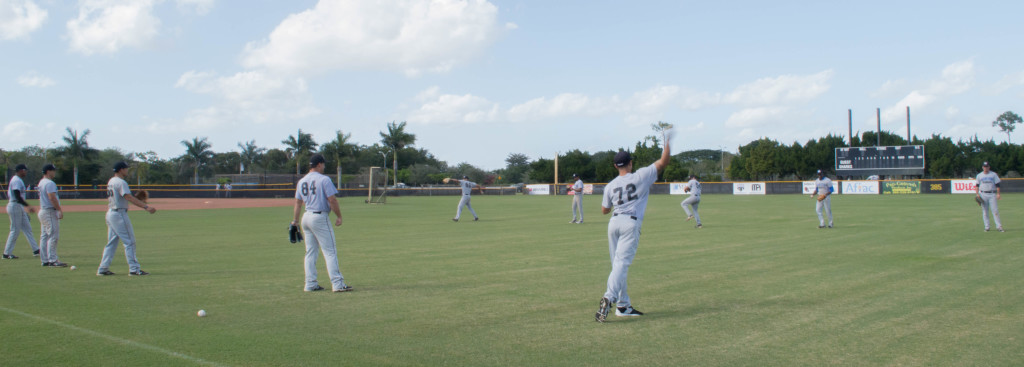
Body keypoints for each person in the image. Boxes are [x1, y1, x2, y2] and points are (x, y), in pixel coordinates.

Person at [595, 141, 672, 323]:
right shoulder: (641, 176)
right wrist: (667, 142)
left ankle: (623, 305)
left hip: (614, 223)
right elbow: (663, 161)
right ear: (630, 162)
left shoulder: (610, 185)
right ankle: (609, 297)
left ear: (615, 166)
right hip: (630, 223)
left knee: (617, 266)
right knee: (621, 264)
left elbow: (604, 210)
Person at [292, 154, 352, 292]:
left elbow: (298, 203)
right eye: (323, 164)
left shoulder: (302, 181)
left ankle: (310, 284)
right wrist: (339, 216)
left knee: (310, 252)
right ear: (319, 164)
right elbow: (332, 200)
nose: (324, 167)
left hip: (306, 217)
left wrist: (295, 221)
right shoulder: (324, 180)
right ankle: (337, 284)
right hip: (319, 217)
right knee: (330, 251)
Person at [97, 161, 157, 276]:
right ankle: (134, 269)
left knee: (112, 243)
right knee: (129, 242)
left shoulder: (111, 181)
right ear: (121, 170)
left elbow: (123, 196)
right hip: (119, 214)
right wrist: (146, 206)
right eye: (126, 168)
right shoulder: (121, 182)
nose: (127, 170)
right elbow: (127, 196)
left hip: (111, 213)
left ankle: (103, 268)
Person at [4, 164, 40, 259]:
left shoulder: (18, 180)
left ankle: (36, 250)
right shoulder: (16, 180)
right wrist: (28, 206)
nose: (26, 172)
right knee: (15, 230)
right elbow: (17, 196)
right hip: (15, 205)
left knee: (27, 228)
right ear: (20, 170)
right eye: (24, 170)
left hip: (18, 206)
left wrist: (24, 210)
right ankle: (6, 253)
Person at [37, 164, 67, 267]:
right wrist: (59, 209)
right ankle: (52, 260)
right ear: (48, 171)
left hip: (43, 211)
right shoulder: (50, 183)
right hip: (49, 211)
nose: (54, 172)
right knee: (53, 236)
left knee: (44, 236)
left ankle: (45, 260)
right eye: (53, 170)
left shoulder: (41, 182)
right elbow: (52, 197)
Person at [975, 161, 1003, 232]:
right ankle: (987, 227)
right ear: (982, 167)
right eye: (984, 166)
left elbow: (997, 185)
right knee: (985, 211)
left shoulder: (993, 174)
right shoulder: (979, 175)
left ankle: (999, 226)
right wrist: (977, 194)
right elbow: (977, 185)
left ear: (989, 167)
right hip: (983, 194)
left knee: (995, 210)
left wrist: (998, 194)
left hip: (992, 194)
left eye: (987, 166)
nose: (985, 168)